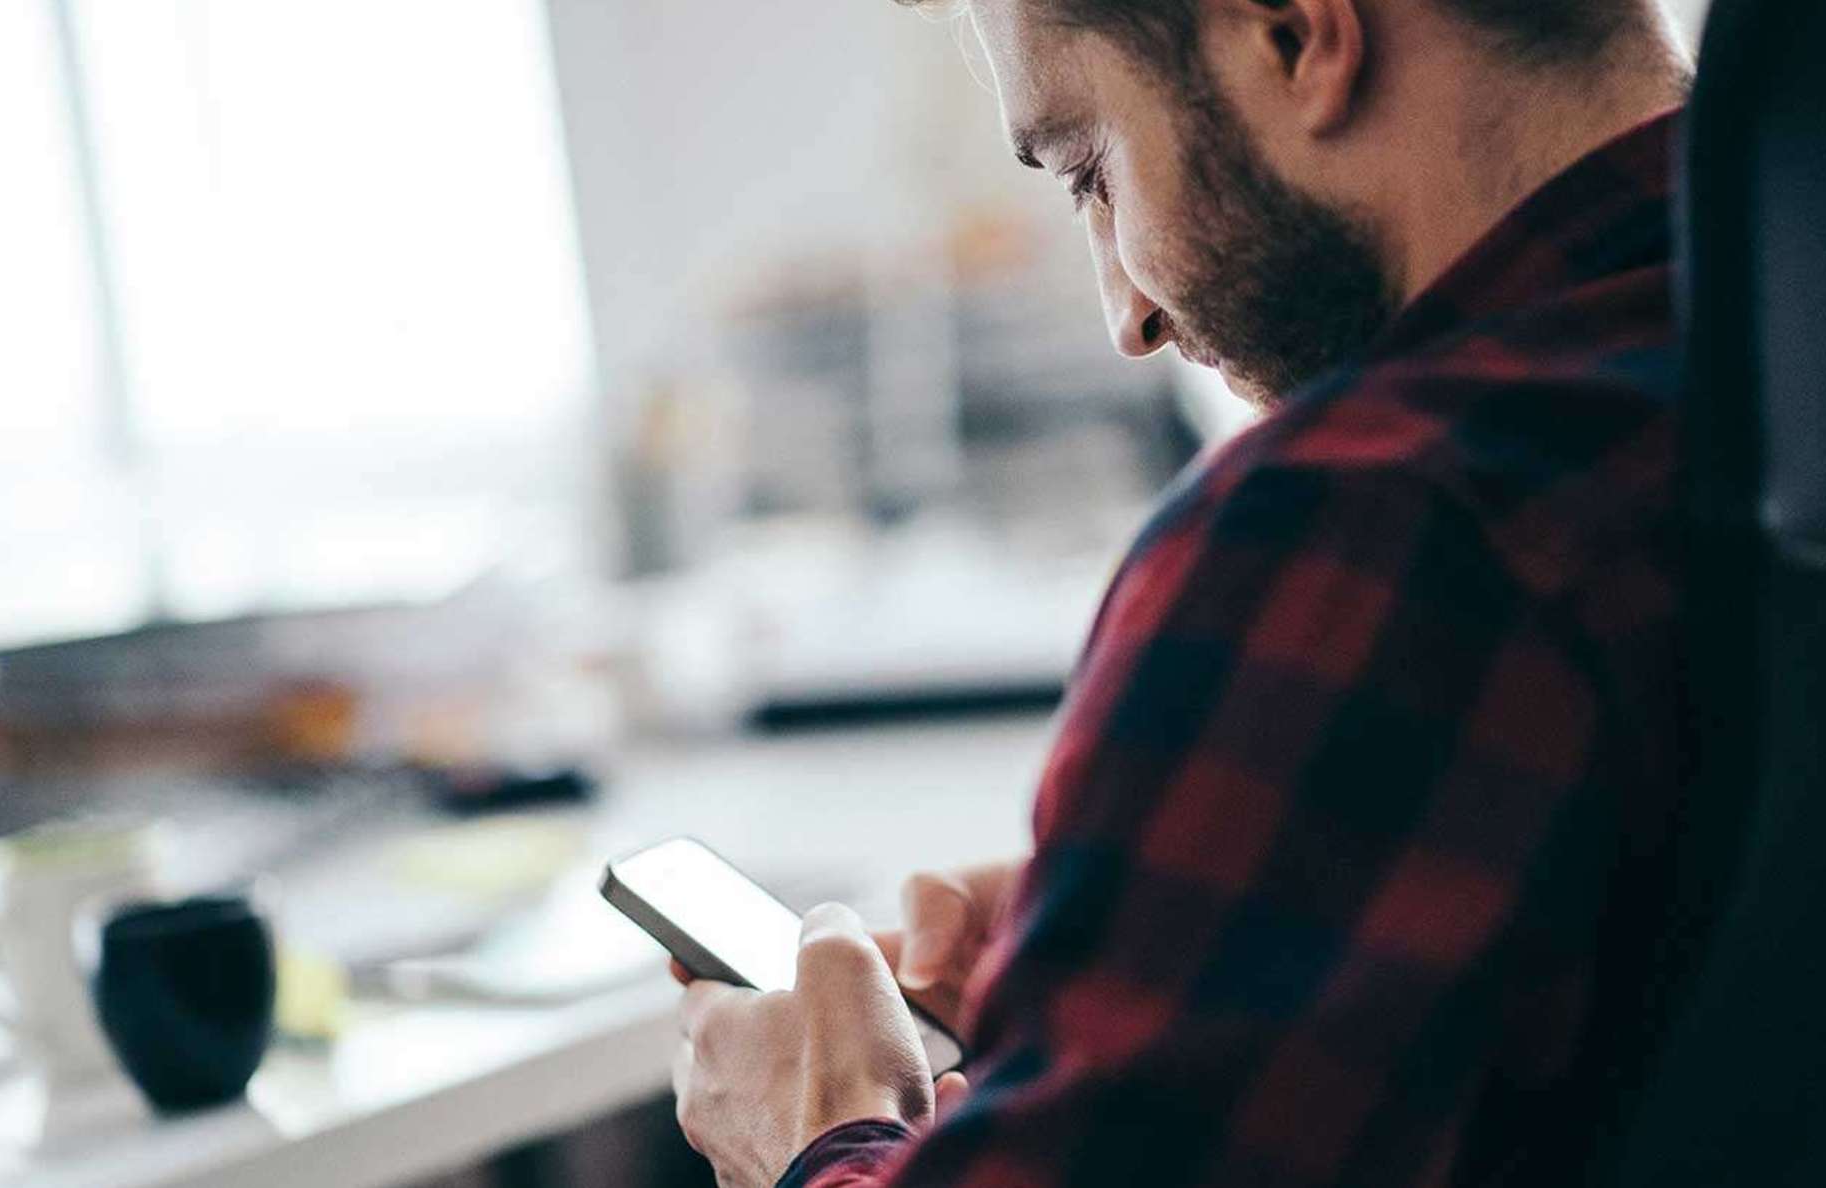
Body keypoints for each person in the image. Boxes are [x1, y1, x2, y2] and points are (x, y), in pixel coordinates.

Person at [672, 0, 1696, 1183]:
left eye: (1091, 168)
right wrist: (1201, 917)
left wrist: (818, 1126)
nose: (1129, 316)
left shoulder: (1369, 521)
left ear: (1294, 32)